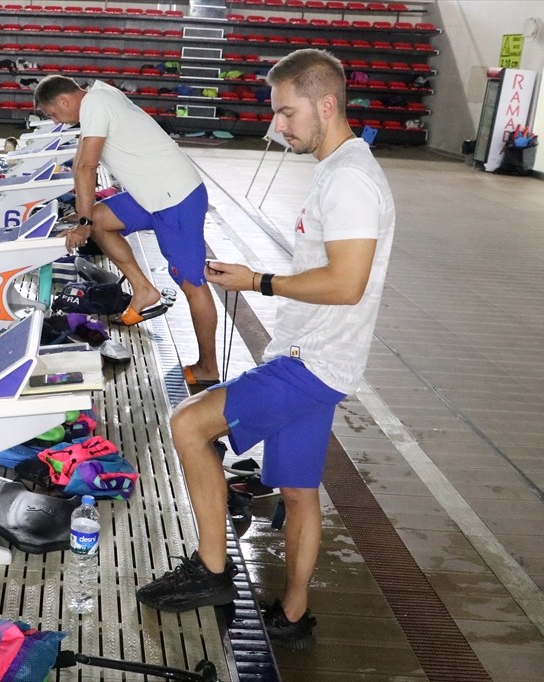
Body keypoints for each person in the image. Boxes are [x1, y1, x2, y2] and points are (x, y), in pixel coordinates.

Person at [133, 49, 395, 652]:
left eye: (287, 112)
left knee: (188, 425)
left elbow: (347, 283)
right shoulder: (340, 168)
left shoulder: (350, 179)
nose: (279, 126)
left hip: (313, 363)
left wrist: (259, 282)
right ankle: (294, 616)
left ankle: (212, 570)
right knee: (299, 492)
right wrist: (260, 279)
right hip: (324, 356)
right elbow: (329, 270)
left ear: (325, 105)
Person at [33, 74, 220, 389]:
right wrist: (84, 218)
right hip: (152, 195)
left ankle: (208, 367)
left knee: (192, 284)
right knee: (100, 222)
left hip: (176, 199)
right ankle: (144, 289)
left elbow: (86, 167)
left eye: (53, 114)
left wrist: (81, 222)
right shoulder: (98, 97)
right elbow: (80, 159)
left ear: (64, 101)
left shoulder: (95, 104)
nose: (58, 121)